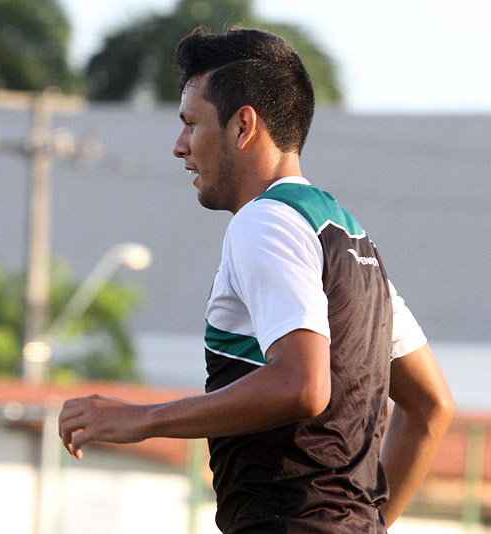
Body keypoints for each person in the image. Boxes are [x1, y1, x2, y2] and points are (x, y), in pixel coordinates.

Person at [58, 27, 455, 533]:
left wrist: (142, 419)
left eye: (191, 123)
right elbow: (431, 407)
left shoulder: (264, 221)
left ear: (243, 124)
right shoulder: (351, 241)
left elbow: (302, 385)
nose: (180, 146)